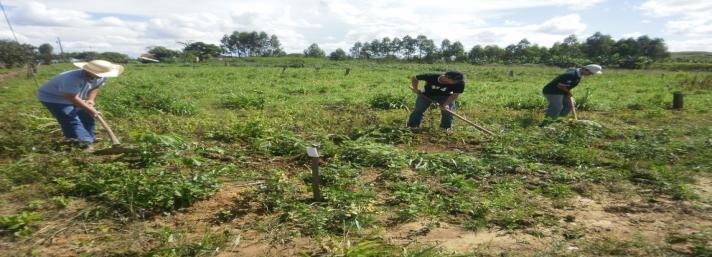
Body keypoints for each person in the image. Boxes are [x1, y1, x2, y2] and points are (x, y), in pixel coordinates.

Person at [36, 60, 124, 149]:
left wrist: (90, 100)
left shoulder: (101, 75)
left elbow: (96, 87)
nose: (102, 76)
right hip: (54, 98)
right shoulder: (71, 78)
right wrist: (90, 110)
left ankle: (89, 138)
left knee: (87, 116)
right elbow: (71, 97)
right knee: (70, 118)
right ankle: (81, 143)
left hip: (75, 96)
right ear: (89, 71)